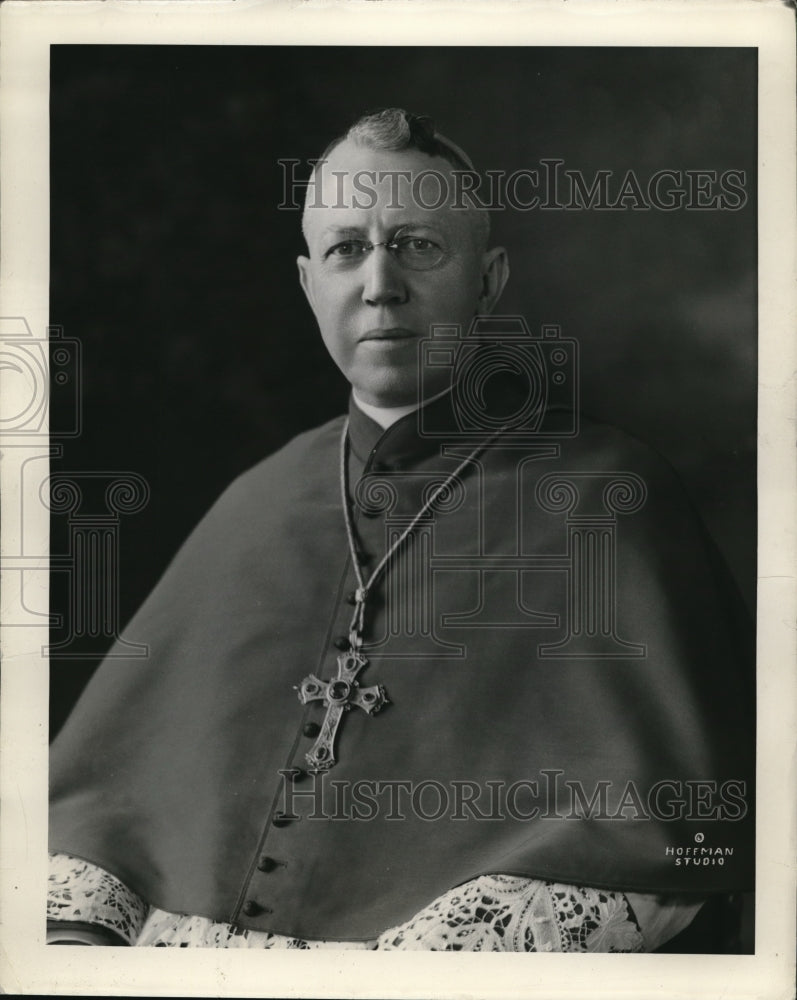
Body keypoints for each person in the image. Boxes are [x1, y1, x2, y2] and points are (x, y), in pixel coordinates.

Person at [47, 108, 754, 952]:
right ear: (309, 285)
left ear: (487, 281)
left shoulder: (608, 496)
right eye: (347, 248)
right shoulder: (255, 501)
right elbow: (95, 817)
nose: (379, 282)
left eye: (417, 244)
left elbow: (663, 831)